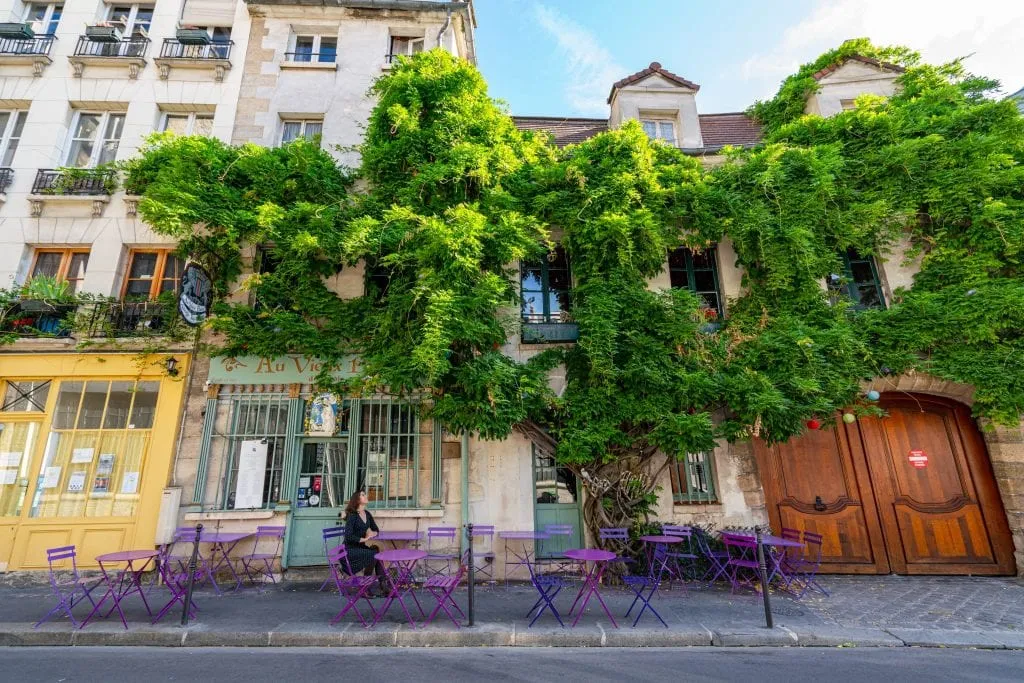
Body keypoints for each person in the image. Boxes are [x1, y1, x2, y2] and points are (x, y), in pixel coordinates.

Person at [341, 490, 387, 595]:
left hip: (361, 548)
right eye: (362, 495)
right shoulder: (352, 516)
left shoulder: (367, 514)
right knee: (373, 554)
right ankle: (365, 587)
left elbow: (376, 529)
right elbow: (348, 536)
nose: (365, 496)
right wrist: (364, 539)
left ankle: (382, 585)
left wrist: (371, 533)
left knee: (376, 550)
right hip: (350, 550)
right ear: (357, 500)